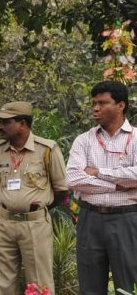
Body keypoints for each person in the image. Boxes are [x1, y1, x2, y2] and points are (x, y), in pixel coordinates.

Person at [66, 81, 137, 294]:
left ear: (120, 105)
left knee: (129, 284)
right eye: (94, 103)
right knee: (90, 286)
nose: (95, 108)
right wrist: (119, 186)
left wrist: (99, 172)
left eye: (102, 103)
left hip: (127, 219)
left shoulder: (136, 138)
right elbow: (73, 179)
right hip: (90, 220)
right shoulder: (84, 140)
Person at [0, 101, 68, 294]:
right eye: (0, 121)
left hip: (34, 224)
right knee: (3, 282)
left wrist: (38, 210)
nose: (1, 126)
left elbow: (62, 190)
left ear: (23, 124)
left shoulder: (47, 149)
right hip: (3, 222)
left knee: (39, 282)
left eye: (6, 122)